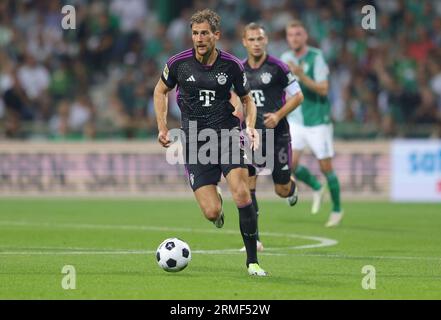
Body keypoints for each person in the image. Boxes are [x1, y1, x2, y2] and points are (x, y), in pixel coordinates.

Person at [153, 9, 267, 276]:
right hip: (195, 141)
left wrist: (249, 127)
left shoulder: (231, 65)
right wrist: (161, 125)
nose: (199, 38)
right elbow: (160, 90)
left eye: (205, 33)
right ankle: (218, 212)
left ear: (216, 35)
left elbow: (247, 99)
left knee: (240, 192)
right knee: (211, 212)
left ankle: (252, 261)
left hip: (227, 135)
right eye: (195, 33)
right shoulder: (178, 63)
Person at [237, 23, 304, 251]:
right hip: (252, 135)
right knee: (248, 186)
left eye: (260, 39)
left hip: (278, 135)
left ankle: (292, 188)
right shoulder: (239, 70)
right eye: (252, 39)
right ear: (244, 42)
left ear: (266, 41)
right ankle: (254, 239)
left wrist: (277, 115)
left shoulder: (278, 67)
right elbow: (236, 100)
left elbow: (298, 96)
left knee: (280, 189)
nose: (256, 43)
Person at [281, 20, 343, 227]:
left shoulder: (316, 57)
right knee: (290, 164)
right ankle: (317, 187)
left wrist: (301, 75)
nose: (294, 38)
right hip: (296, 120)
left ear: (305, 36)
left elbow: (324, 89)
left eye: (298, 34)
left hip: (318, 121)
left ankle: (336, 209)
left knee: (326, 167)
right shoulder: (285, 58)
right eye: (291, 35)